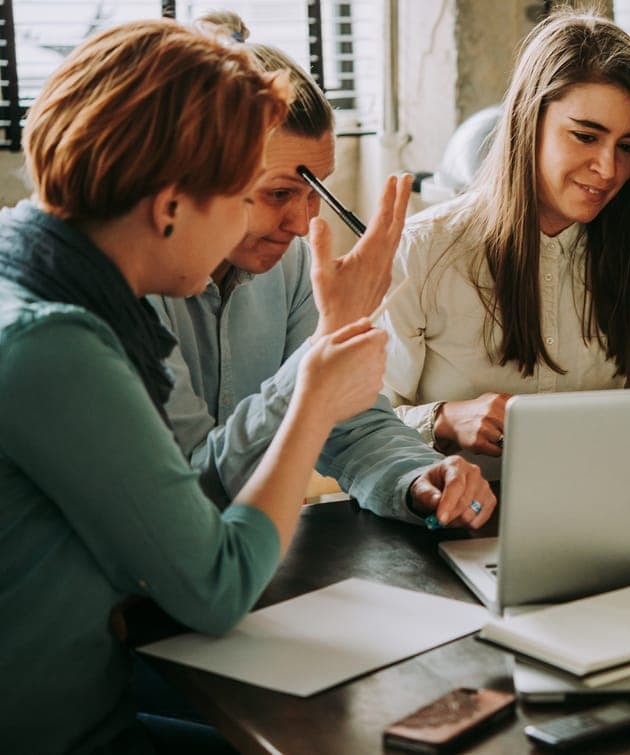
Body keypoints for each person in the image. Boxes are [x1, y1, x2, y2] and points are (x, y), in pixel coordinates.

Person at [0, 20, 388, 753]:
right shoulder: (53, 346)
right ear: (169, 208)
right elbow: (217, 586)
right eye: (239, 199)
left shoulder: (15, 278)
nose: (247, 229)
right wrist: (313, 395)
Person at [151, 12, 494, 531]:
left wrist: (417, 478)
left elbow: (348, 423)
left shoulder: (290, 263)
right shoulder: (138, 284)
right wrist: (328, 342)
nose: (302, 222)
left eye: (317, 192)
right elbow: (198, 484)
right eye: (279, 193)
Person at [381, 11, 630, 468]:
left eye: (628, 147)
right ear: (528, 123)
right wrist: (441, 420)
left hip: (609, 520)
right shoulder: (423, 250)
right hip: (453, 523)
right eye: (585, 136)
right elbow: (354, 429)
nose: (608, 168)